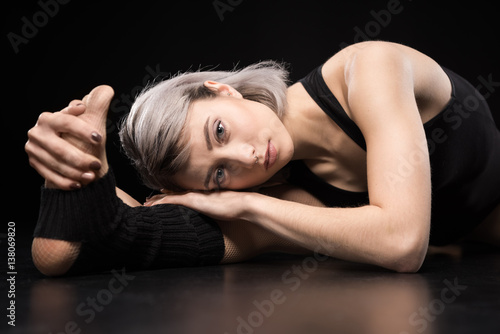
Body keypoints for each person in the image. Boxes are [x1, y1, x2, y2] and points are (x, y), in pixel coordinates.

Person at [26, 41, 500, 276]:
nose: (246, 157)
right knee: (152, 235)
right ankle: (82, 191)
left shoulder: (368, 68)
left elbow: (403, 244)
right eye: (218, 174)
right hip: (456, 234)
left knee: (255, 218)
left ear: (222, 88)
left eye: (220, 131)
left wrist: (245, 203)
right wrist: (80, 175)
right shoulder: (281, 186)